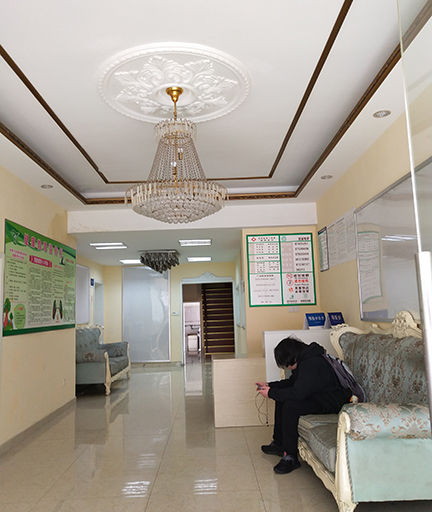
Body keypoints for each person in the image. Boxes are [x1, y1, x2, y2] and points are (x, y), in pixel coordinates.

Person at [255, 335, 352, 474]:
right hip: (317, 395)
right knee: (280, 397)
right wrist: (270, 386)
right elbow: (293, 382)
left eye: (287, 365)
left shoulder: (312, 364)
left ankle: (290, 457)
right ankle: (279, 443)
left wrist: (271, 393)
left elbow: (297, 393)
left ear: (292, 357)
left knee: (290, 406)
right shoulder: (305, 358)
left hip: (330, 402)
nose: (287, 367)